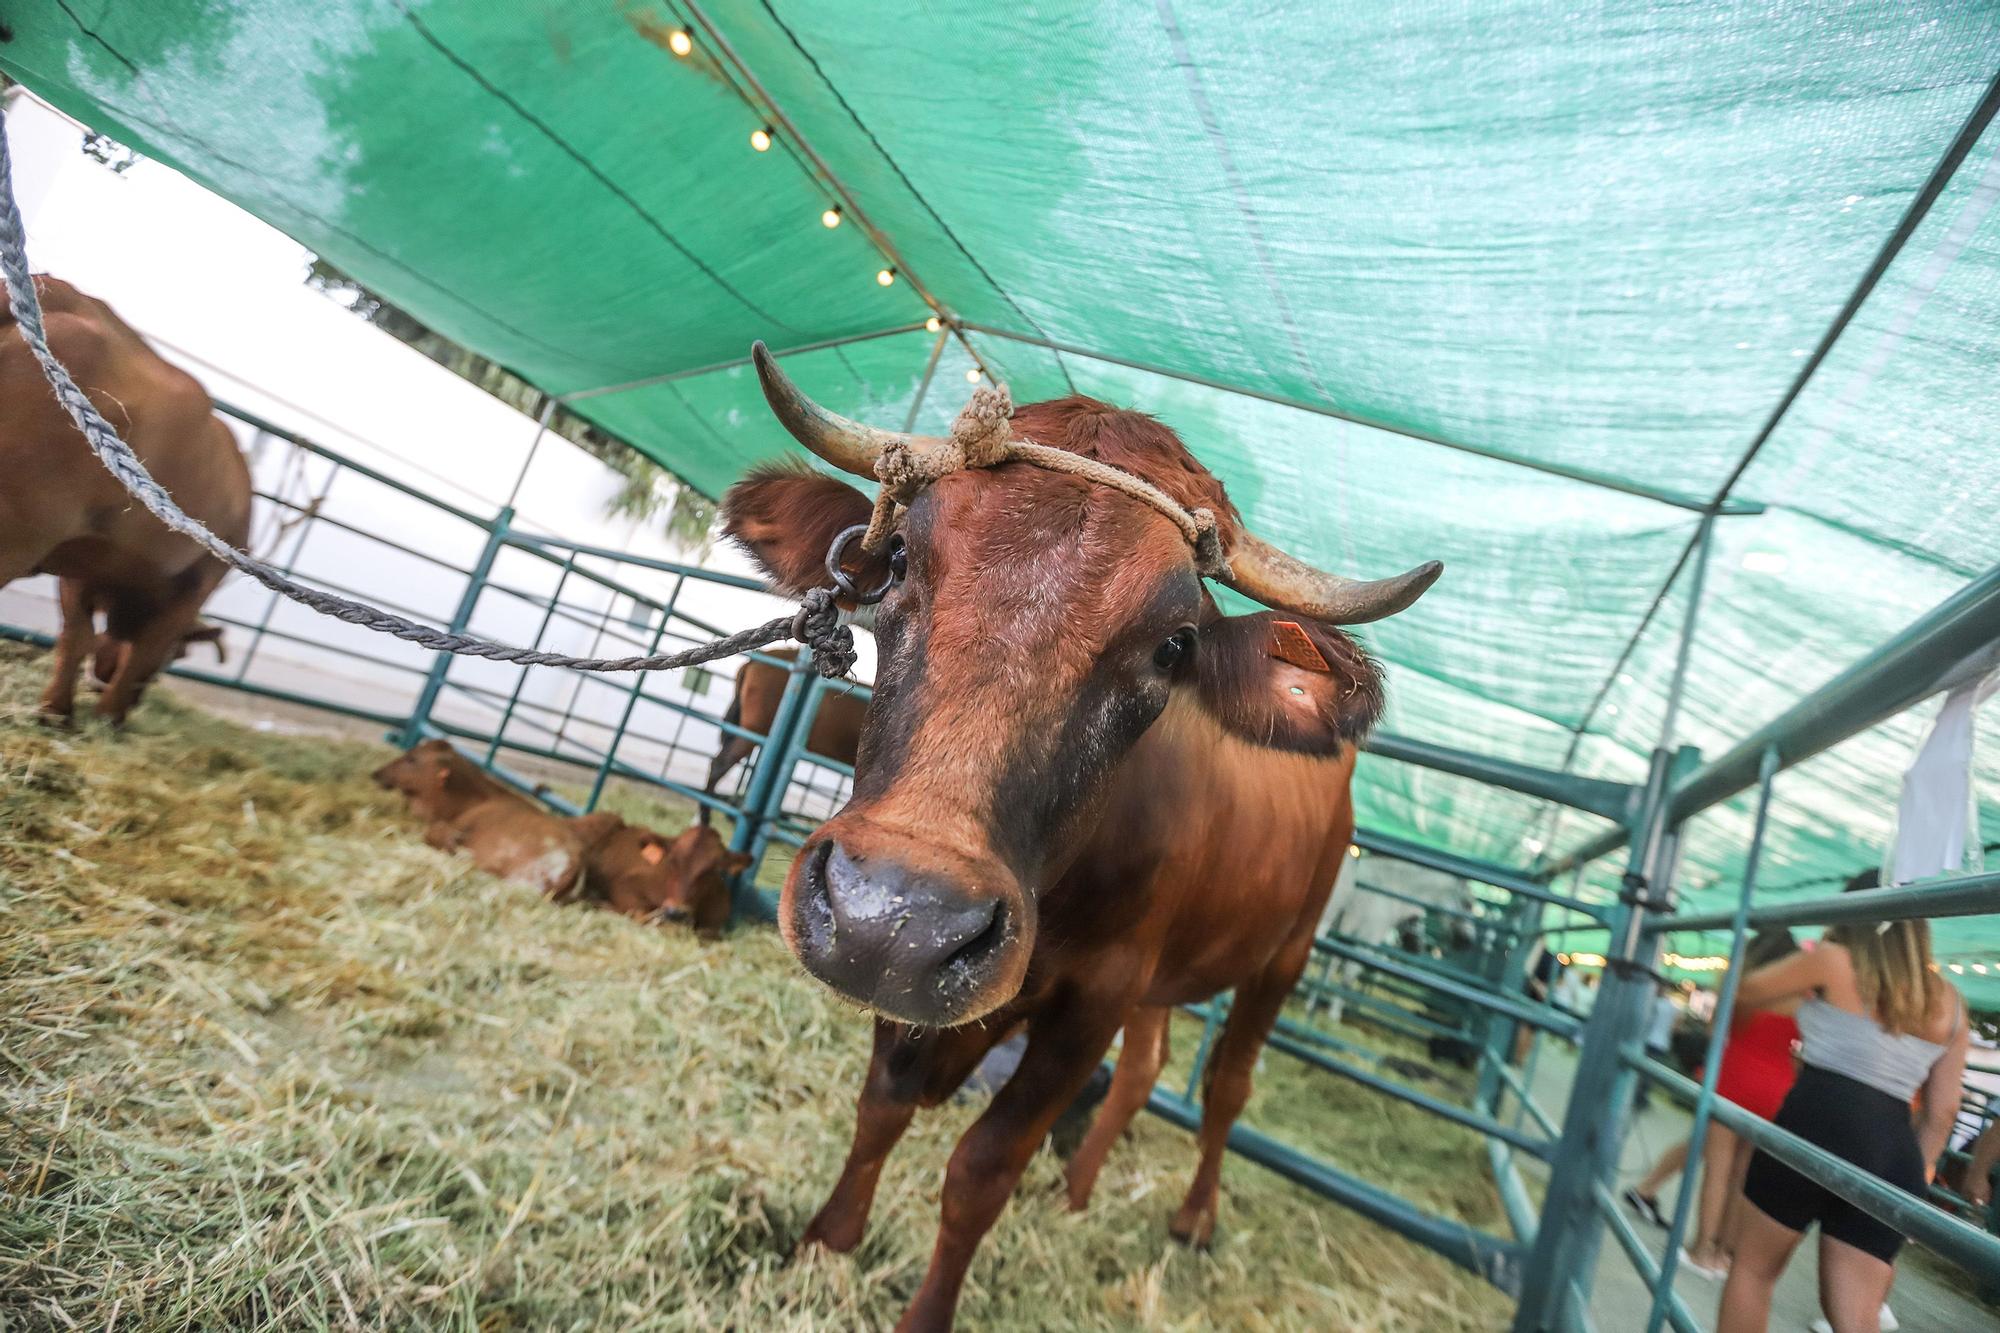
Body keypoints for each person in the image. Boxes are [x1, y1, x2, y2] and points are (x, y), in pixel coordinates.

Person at [1716, 872, 1970, 1333]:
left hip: (1812, 1123)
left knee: (1752, 1272)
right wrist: (1917, 1176)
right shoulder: (1951, 1003)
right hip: (1893, 1154)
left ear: (1851, 912)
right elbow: (1943, 1111)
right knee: (1856, 1317)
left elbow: (1744, 988)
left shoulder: (1833, 960)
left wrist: (1806, 998)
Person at [1622, 929, 1804, 1279]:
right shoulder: (1800, 994)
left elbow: (1712, 1031)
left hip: (1731, 1079)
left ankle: (1702, 1249)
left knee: (1717, 1171)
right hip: (1776, 1090)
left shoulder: (1737, 983)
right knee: (1743, 1176)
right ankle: (1724, 1255)